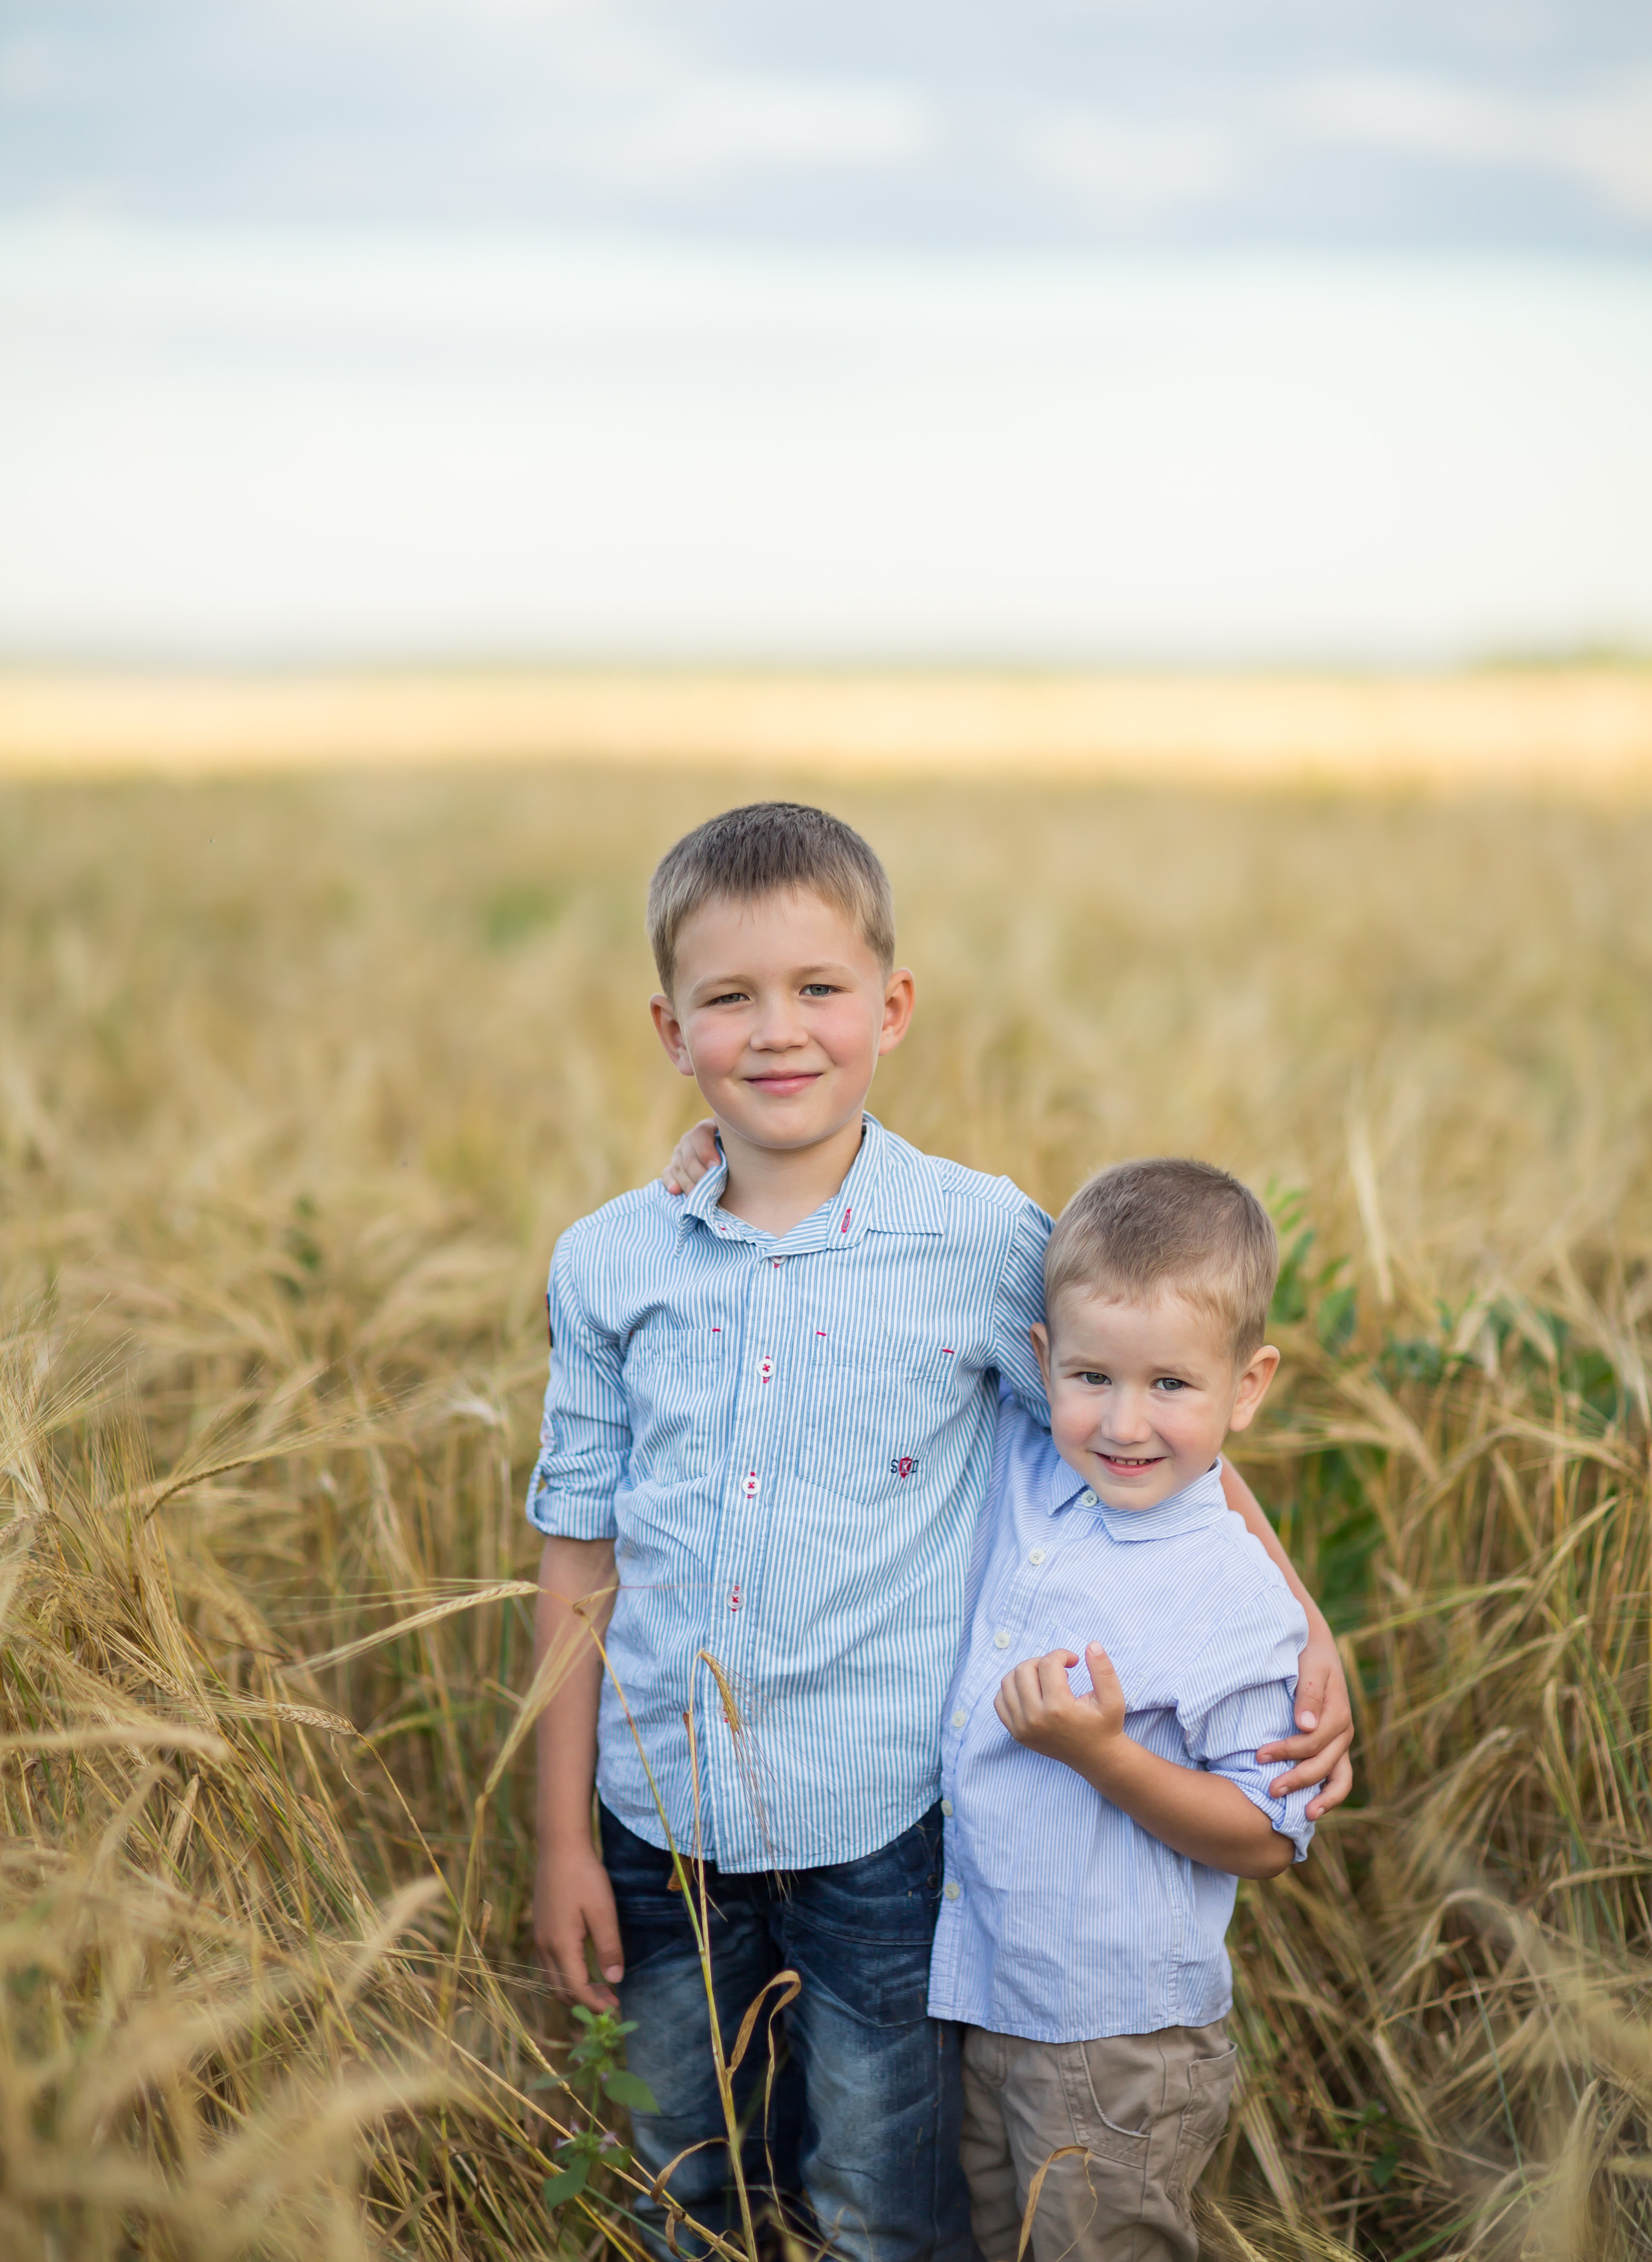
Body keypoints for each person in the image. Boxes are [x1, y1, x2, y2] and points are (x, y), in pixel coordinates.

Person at [527, 802, 1351, 2262]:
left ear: (889, 1008)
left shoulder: (978, 1243)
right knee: (688, 2177)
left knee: (879, 2202)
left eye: (817, 992)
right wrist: (562, 1842)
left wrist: (1307, 1629)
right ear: (671, 1030)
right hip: (659, 1834)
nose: (777, 1033)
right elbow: (579, 1553)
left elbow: (1145, 1430)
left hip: (883, 1839)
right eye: (730, 1000)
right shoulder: (608, 1264)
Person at [932, 1157, 1313, 2262]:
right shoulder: (1030, 1471)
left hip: (1121, 2040)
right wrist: (711, 1158)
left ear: (1248, 1387)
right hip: (989, 1996)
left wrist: (1104, 1758)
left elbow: (1269, 1833)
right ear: (1043, 1363)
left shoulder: (1233, 1592)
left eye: (1173, 1387)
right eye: (1092, 1376)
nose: (1125, 1422)